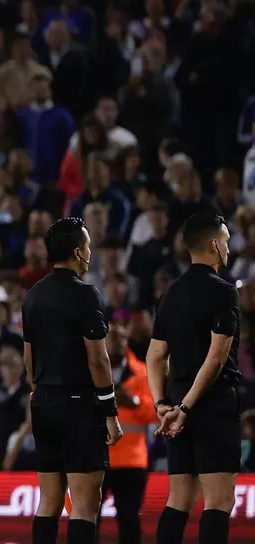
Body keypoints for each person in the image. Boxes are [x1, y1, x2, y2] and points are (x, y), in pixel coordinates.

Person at [21, 216, 123, 544]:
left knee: (48, 501)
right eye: (88, 246)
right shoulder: (86, 295)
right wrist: (109, 411)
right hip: (78, 406)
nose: (91, 252)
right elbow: (98, 359)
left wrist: (41, 393)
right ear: (78, 252)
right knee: (83, 504)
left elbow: (28, 359)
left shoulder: (33, 295)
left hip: (44, 402)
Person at [146, 212, 242, 544]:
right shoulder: (224, 292)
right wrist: (186, 408)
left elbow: (154, 356)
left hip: (175, 405)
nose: (229, 248)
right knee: (218, 501)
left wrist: (163, 405)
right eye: (227, 241)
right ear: (214, 245)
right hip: (211, 404)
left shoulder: (169, 293)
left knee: (179, 500)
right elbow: (216, 357)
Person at [102, 310, 158, 544]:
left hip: (131, 462)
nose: (117, 343)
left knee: (129, 521)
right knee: (86, 518)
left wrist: (133, 402)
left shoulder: (143, 373)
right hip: (97, 458)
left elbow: (156, 413)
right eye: (112, 338)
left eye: (122, 339)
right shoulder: (89, 370)